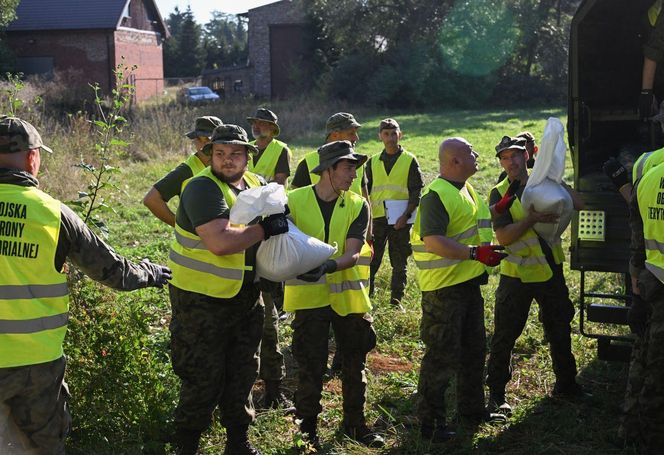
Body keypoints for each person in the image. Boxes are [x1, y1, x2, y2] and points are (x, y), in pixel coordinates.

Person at [0, 116, 171, 454]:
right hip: (36, 364)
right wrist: (151, 272)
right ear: (33, 158)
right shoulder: (52, 214)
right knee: (45, 447)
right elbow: (114, 272)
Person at [166, 124, 289, 455]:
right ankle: (187, 446)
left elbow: (280, 225)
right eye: (219, 153)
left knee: (242, 372)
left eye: (235, 153)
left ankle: (238, 443)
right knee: (202, 377)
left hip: (245, 298)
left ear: (248, 156)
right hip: (200, 303)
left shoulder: (255, 184)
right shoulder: (201, 188)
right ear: (210, 155)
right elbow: (220, 243)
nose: (227, 160)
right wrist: (264, 229)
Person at [283, 140, 384, 449]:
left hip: (349, 300)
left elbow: (353, 253)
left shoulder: (358, 204)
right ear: (328, 170)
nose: (354, 175)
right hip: (308, 301)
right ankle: (307, 431)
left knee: (354, 365)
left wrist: (325, 266)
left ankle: (356, 425)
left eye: (355, 168)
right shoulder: (293, 201)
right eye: (348, 167)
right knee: (310, 367)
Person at [411, 137, 507, 442]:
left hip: (467, 286)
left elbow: (475, 228)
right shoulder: (436, 195)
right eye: (470, 152)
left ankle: (472, 409)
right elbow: (433, 240)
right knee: (441, 356)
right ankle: (430, 423)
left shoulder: (469, 192)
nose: (477, 154)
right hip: (443, 291)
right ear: (454, 161)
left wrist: (496, 217)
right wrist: (476, 254)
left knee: (474, 351)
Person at [486, 136, 586, 418]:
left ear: (528, 156)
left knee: (560, 328)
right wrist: (530, 220)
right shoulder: (499, 193)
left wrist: (558, 181)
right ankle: (496, 396)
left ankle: (567, 385)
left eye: (516, 155)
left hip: (550, 272)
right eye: (505, 157)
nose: (512, 162)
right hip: (516, 274)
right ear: (501, 163)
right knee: (505, 335)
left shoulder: (546, 183)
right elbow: (503, 236)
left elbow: (580, 203)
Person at [246, 107, 292, 409]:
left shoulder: (279, 149)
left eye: (263, 125)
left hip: (265, 220)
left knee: (267, 319)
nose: (258, 129)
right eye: (255, 124)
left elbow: (279, 186)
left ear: (272, 128)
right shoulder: (243, 151)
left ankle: (274, 387)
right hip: (244, 226)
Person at [621, 158, 664, 451]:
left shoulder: (649, 175)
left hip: (653, 280)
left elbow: (638, 237)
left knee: (648, 359)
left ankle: (633, 432)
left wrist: (636, 281)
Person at [366, 118, 423, 308]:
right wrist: (369, 221)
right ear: (380, 136)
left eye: (393, 133)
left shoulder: (409, 160)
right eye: (386, 133)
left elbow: (416, 191)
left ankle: (396, 303)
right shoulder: (372, 162)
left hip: (401, 219)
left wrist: (406, 216)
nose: (390, 138)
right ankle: (366, 300)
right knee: (371, 261)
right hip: (377, 219)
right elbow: (366, 192)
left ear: (400, 135)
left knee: (399, 264)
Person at [143, 116, 223, 226]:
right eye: (199, 139)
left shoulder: (229, 164)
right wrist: (180, 227)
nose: (202, 146)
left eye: (208, 140)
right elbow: (151, 200)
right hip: (197, 241)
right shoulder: (186, 171)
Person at [290, 112, 368, 197]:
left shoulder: (358, 162)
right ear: (335, 135)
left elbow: (365, 199)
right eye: (351, 133)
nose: (356, 138)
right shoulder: (307, 164)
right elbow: (296, 204)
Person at [247, 108, 291, 186]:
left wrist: (253, 187)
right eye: (254, 123)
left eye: (261, 123)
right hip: (247, 196)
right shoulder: (246, 147)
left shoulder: (281, 149)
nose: (255, 126)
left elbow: (280, 182)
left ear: (272, 128)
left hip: (271, 197)